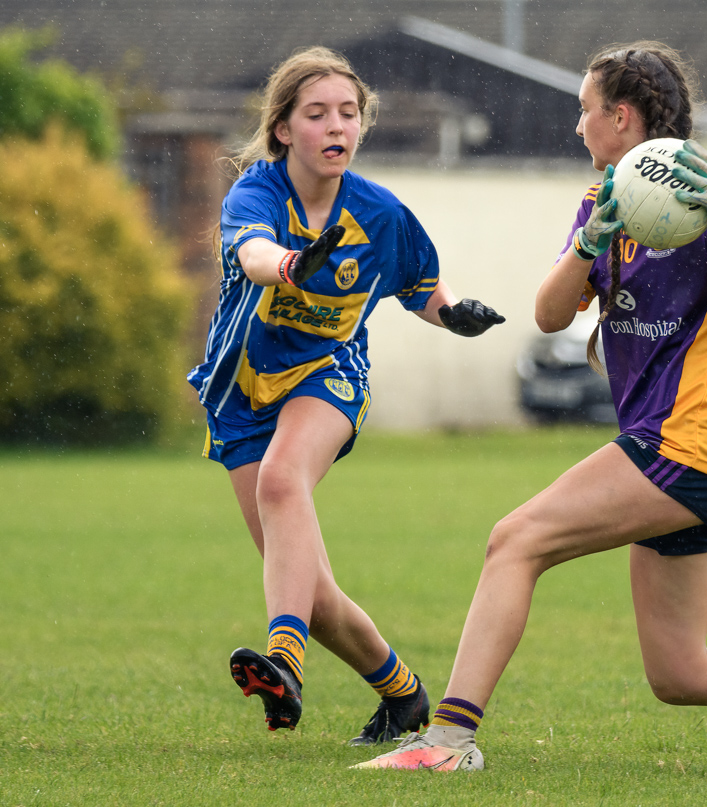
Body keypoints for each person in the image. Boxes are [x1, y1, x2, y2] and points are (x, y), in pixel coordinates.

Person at [355, 41, 707, 772]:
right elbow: (546, 314)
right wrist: (587, 242)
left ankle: (447, 740)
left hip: (694, 440)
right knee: (680, 673)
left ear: (621, 116)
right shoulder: (603, 200)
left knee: (516, 539)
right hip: (680, 447)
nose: (577, 126)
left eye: (584, 110)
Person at [187, 46, 504, 744]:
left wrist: (454, 314)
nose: (337, 125)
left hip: (328, 376)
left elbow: (420, 288)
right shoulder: (256, 194)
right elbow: (254, 255)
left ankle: (284, 663)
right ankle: (403, 694)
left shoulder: (381, 214)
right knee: (310, 590)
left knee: (282, 480)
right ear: (282, 130)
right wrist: (293, 263)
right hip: (240, 393)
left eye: (349, 113)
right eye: (317, 113)